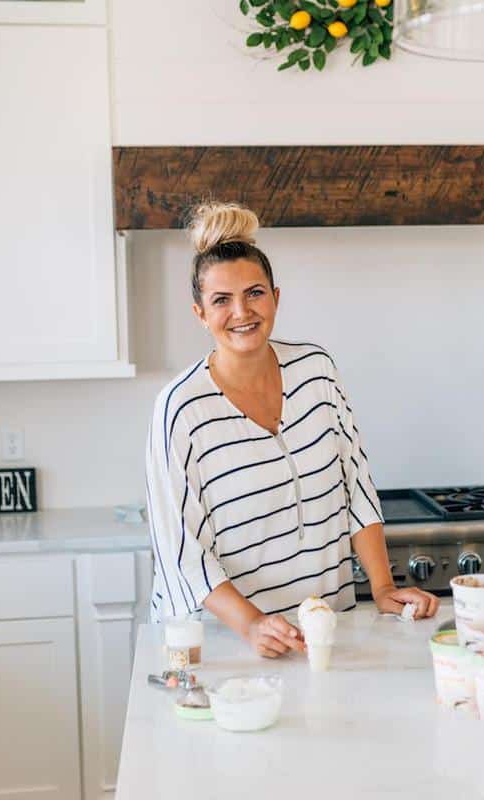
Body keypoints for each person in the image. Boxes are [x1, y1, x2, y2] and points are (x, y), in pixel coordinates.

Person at [146, 201, 440, 658]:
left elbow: (356, 485)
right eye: (221, 300)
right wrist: (251, 625)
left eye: (255, 293)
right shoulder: (180, 408)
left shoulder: (316, 371)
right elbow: (179, 549)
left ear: (276, 298)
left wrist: (383, 587)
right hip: (222, 644)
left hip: (322, 626)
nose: (241, 311)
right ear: (200, 313)